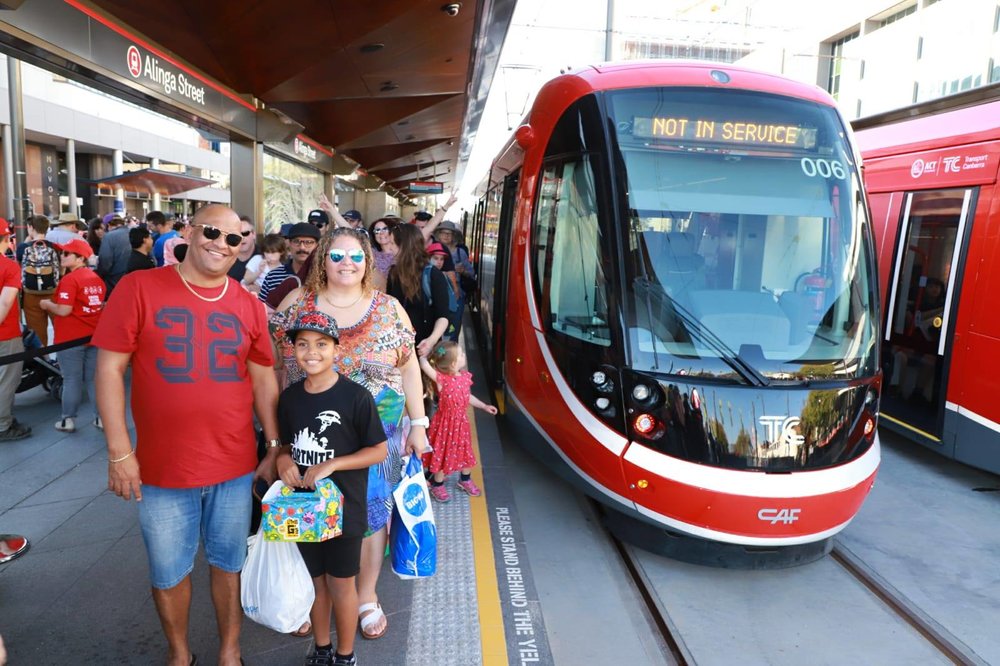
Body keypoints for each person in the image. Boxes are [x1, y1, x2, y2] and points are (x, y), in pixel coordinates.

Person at [93, 204, 281, 666]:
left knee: (228, 564)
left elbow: (262, 380)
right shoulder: (140, 288)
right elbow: (109, 369)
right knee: (168, 572)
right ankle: (179, 654)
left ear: (243, 248)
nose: (221, 243)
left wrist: (274, 447)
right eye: (212, 232)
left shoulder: (247, 304)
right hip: (160, 468)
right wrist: (120, 452)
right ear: (190, 233)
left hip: (234, 465)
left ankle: (230, 652)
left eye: (233, 238)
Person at [271, 227, 427, 642]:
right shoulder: (296, 304)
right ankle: (312, 593)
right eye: (337, 255)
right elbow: (275, 368)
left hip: (378, 436)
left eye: (356, 257)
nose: (346, 264)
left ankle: (366, 596)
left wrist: (419, 425)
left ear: (368, 263)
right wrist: (275, 440)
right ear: (322, 259)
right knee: (306, 513)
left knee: (371, 517)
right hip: (309, 434)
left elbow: (409, 368)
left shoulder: (390, 307)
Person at [276, 309, 388, 666]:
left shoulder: (355, 398)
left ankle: (345, 654)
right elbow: (283, 445)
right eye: (303, 344)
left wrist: (334, 463)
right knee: (315, 583)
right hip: (304, 508)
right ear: (293, 350)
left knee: (342, 585)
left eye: (322, 344)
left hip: (344, 511)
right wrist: (282, 460)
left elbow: (379, 449)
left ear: (336, 349)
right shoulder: (291, 398)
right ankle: (322, 649)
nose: (312, 352)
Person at [39, 238, 105, 433]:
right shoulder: (96, 279)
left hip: (70, 338)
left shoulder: (70, 280)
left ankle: (68, 420)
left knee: (72, 379)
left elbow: (64, 310)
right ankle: (101, 418)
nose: (62, 256)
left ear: (80, 258)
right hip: (93, 336)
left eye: (67, 253)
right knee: (94, 379)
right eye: (62, 252)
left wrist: (47, 304)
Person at [419, 341, 496, 502]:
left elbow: (468, 397)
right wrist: (424, 354)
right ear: (453, 363)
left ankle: (465, 479)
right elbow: (424, 365)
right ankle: (437, 484)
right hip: (445, 426)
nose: (464, 355)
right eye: (461, 354)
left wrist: (484, 406)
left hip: (461, 424)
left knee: (465, 451)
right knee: (443, 452)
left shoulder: (464, 377)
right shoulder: (441, 380)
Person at [386, 225, 452, 357]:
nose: (389, 248)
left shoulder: (433, 274)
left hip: (425, 348)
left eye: (392, 243)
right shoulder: (394, 273)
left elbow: (443, 316)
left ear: (405, 246)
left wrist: (431, 341)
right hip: (399, 347)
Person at [0, 219, 30, 441]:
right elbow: (4, 304)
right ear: (6, 239)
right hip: (6, 334)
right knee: (7, 380)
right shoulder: (9, 267)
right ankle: (3, 425)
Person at [18, 215, 61, 346]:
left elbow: (19, 267)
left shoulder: (22, 248)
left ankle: (44, 360)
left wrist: (26, 242)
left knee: (37, 333)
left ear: (31, 228)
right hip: (53, 293)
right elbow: (61, 268)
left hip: (30, 294)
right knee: (60, 328)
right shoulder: (55, 247)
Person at [259, 223, 320, 306]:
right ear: (289, 244)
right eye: (296, 241)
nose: (302, 247)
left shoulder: (323, 277)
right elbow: (262, 309)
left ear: (317, 246)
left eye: (308, 242)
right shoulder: (273, 276)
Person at [436, 220, 475, 338]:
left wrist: (463, 271)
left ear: (454, 236)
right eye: (443, 233)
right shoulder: (432, 250)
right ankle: (437, 354)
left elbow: (472, 273)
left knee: (453, 329)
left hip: (456, 296)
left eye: (449, 233)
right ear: (438, 234)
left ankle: (450, 354)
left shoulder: (460, 252)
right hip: (436, 295)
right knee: (436, 330)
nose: (446, 236)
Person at [96, 215, 131, 291]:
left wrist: (99, 275)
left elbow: (105, 261)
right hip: (136, 278)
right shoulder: (136, 232)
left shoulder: (109, 236)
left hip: (115, 280)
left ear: (108, 225)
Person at [367, 217, 401, 291]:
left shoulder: (403, 252)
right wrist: (334, 211)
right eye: (377, 230)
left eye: (385, 229)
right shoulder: (372, 253)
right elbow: (353, 235)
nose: (381, 233)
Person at [227, 216, 258, 282]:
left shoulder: (266, 255)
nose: (242, 238)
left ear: (254, 235)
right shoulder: (225, 259)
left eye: (245, 233)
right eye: (237, 235)